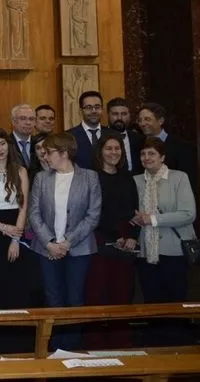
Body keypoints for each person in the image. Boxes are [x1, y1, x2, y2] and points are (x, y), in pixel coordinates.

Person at [29, 132, 101, 351]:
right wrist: (50, 242)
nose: (44, 155)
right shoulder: (42, 178)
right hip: (46, 248)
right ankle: (53, 349)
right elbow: (34, 213)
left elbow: (93, 215)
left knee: (75, 298)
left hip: (79, 249)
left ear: (64, 153)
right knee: (53, 299)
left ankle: (70, 349)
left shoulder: (89, 177)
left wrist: (67, 242)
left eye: (49, 152)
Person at [132, 137, 196, 338]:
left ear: (163, 157)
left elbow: (188, 214)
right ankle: (156, 347)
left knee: (175, 302)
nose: (146, 157)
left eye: (152, 153)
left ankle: (178, 346)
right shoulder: (135, 181)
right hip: (146, 253)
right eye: (143, 154)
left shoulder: (178, 178)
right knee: (152, 301)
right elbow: (129, 212)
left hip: (174, 250)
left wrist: (152, 219)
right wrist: (134, 218)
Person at [85, 134, 139, 349]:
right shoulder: (92, 177)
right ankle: (95, 344)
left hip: (126, 241)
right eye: (109, 148)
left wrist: (131, 238)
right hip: (99, 240)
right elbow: (92, 213)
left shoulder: (128, 177)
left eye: (117, 149)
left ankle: (121, 343)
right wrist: (113, 237)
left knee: (122, 293)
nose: (114, 153)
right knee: (96, 293)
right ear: (100, 152)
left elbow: (134, 212)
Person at [0, 127, 31, 353]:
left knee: (16, 289)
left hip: (15, 234)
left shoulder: (20, 170)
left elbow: (23, 206)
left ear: (8, 145)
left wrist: (15, 238)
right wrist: (2, 228)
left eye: (2, 144)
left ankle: (19, 345)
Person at [137, 103, 197, 188]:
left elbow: (188, 181)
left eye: (147, 119)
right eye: (140, 120)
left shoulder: (181, 146)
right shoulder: (137, 144)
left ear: (161, 121)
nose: (142, 123)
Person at [68, 91, 114, 170]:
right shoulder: (69, 136)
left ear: (102, 109)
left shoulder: (113, 134)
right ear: (80, 111)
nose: (93, 111)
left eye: (97, 107)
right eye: (88, 107)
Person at [107, 97, 144, 175]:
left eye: (124, 114)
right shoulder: (100, 137)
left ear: (129, 115)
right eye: (115, 114)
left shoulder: (139, 139)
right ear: (108, 115)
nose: (119, 118)